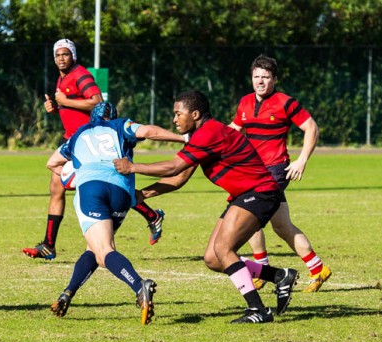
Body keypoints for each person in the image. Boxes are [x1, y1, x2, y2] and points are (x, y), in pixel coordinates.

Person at [114, 91, 298, 324]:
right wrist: (142, 195)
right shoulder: (201, 136)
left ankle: (258, 309)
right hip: (244, 195)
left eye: (178, 114)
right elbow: (179, 178)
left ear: (195, 114)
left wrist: (133, 167)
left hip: (260, 193)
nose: (174, 119)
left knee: (223, 248)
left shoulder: (208, 133)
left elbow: (173, 167)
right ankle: (279, 276)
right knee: (213, 258)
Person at [22, 39, 165, 261]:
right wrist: (56, 107)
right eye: (58, 55)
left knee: (104, 185)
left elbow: (97, 101)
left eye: (65, 54)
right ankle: (48, 245)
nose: (61, 58)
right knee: (57, 187)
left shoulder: (81, 75)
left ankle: (151, 215)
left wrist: (65, 101)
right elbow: (70, 106)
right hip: (73, 141)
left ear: (73, 55)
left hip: (90, 142)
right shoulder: (62, 77)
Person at [47, 102, 186, 325]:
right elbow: (150, 132)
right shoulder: (120, 125)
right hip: (121, 191)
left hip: (92, 189)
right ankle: (68, 293)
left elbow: (52, 163)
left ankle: (139, 286)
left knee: (104, 251)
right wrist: (184, 138)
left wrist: (73, 177)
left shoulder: (78, 135)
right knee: (94, 248)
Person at [228, 54, 332, 292]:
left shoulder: (285, 103)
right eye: (256, 76)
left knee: (248, 214)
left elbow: (311, 127)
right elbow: (234, 129)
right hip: (252, 171)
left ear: (274, 79)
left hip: (275, 170)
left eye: (265, 77)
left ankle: (261, 270)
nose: (260, 81)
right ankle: (318, 268)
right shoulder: (244, 102)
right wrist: (209, 137)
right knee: (282, 226)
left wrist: (301, 160)